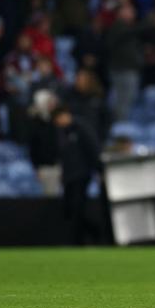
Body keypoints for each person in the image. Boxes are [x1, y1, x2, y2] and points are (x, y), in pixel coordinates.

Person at [52, 104, 101, 244]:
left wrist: (98, 170)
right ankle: (91, 233)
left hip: (82, 174)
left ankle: (80, 239)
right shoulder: (61, 131)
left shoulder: (81, 128)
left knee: (77, 207)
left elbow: (93, 149)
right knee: (70, 209)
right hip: (68, 176)